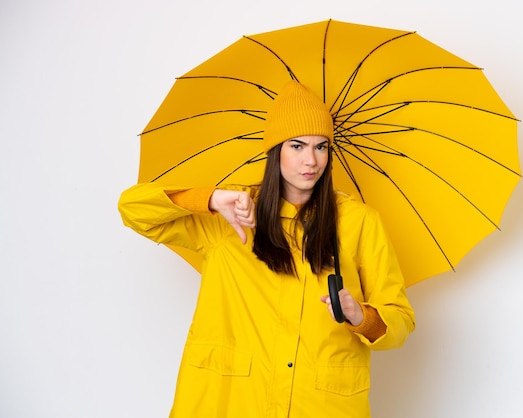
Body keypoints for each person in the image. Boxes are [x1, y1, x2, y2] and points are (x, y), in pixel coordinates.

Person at [118, 80, 415, 417]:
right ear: (276, 150)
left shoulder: (359, 221)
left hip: (320, 404)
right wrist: (211, 199)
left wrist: (361, 316)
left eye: (322, 147)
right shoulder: (230, 213)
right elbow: (133, 209)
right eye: (298, 146)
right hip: (231, 400)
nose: (311, 160)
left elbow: (401, 319)